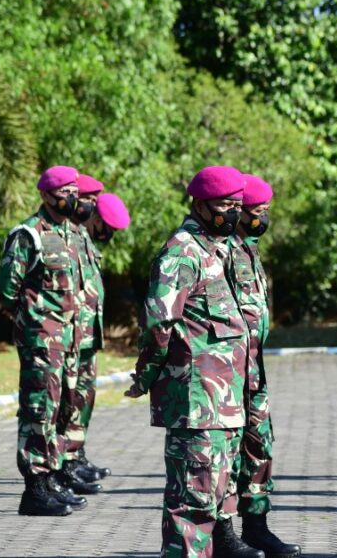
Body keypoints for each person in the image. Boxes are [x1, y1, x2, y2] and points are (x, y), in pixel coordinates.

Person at [124, 166, 263, 558]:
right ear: (199, 204)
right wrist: (146, 375)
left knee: (219, 497)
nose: (234, 213)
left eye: (238, 205)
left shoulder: (217, 249)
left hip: (228, 399)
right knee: (193, 506)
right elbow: (159, 323)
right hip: (197, 400)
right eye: (225, 205)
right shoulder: (182, 252)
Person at [0, 165, 95, 516]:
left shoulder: (70, 233)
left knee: (60, 410)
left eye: (74, 190)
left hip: (69, 341)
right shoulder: (29, 234)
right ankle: (35, 489)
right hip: (42, 341)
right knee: (39, 411)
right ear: (45, 195)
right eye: (63, 191)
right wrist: (34, 322)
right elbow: (8, 289)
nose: (71, 197)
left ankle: (51, 479)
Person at [232, 175, 301, 558]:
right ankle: (224, 534)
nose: (261, 219)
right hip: (225, 373)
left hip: (253, 369)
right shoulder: (220, 250)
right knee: (226, 454)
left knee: (259, 447)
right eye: (255, 212)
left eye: (264, 212)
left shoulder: (249, 249)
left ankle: (256, 527)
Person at [53, 174, 112, 494]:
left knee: (82, 398)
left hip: (86, 334)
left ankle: (74, 455)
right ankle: (60, 463)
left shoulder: (80, 237)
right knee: (62, 402)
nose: (87, 204)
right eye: (86, 198)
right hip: (64, 335)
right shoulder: (60, 236)